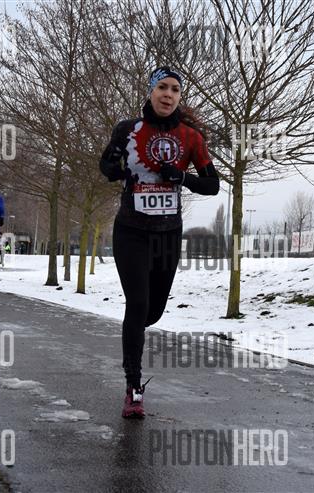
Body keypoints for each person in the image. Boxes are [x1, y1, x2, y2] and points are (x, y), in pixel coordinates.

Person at [99, 67, 219, 418]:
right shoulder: (128, 129)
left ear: (180, 96)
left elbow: (212, 185)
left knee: (153, 311)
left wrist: (181, 176)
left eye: (175, 89)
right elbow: (106, 164)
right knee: (137, 305)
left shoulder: (191, 137)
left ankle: (135, 333)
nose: (168, 94)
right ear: (151, 91)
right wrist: (117, 170)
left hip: (167, 234)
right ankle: (133, 387)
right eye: (162, 87)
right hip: (131, 230)